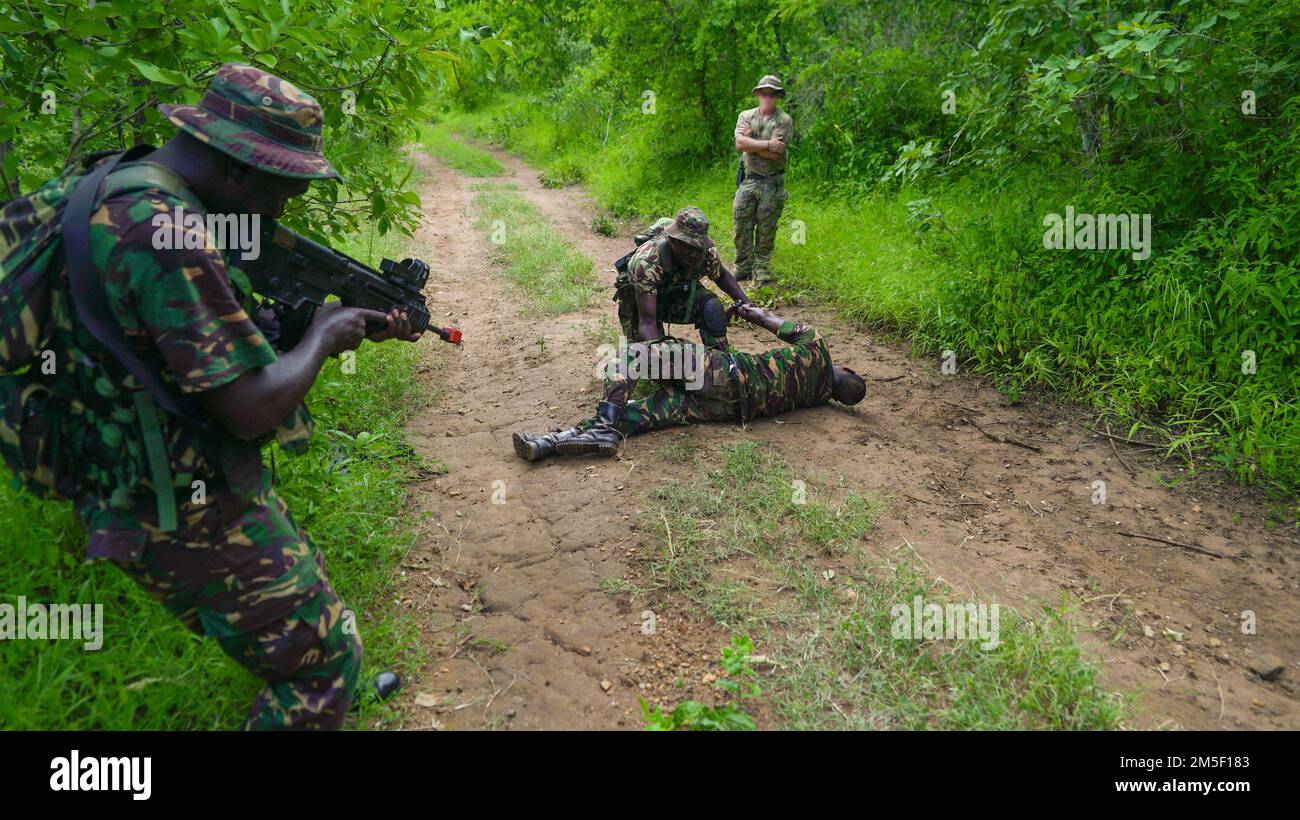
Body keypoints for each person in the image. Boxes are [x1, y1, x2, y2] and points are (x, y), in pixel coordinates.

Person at [9, 64, 419, 728]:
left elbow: (185, 339)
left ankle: (322, 666)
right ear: (235, 169)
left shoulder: (128, 180)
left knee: (309, 603)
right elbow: (251, 405)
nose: (281, 210)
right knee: (321, 663)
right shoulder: (164, 232)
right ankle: (323, 681)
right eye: (280, 190)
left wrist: (321, 326)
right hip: (168, 494)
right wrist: (321, 338)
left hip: (157, 458)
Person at [513, 304, 866, 460]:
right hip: (723, 411)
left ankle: (602, 428)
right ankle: (549, 443)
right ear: (838, 396)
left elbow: (764, 318)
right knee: (640, 415)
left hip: (722, 372)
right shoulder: (817, 397)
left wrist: (742, 310)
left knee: (625, 357)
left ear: (846, 371)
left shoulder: (816, 347)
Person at [733, 75, 793, 284]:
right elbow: (740, 145)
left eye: (772, 94)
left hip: (772, 183)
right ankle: (743, 266)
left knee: (766, 227)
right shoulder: (746, 116)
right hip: (748, 180)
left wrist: (751, 144)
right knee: (741, 223)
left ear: (778, 96)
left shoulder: (783, 120)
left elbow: (777, 154)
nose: (768, 97)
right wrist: (767, 144)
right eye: (764, 93)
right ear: (758, 94)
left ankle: (761, 267)